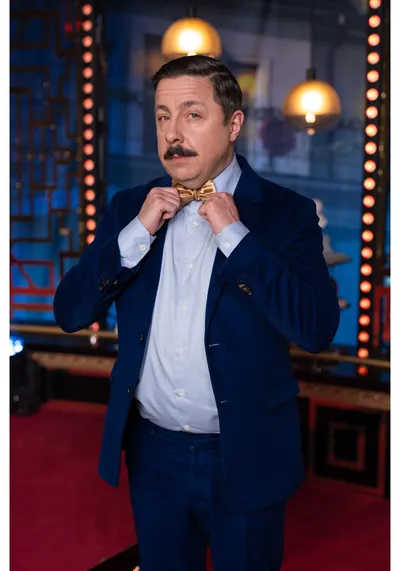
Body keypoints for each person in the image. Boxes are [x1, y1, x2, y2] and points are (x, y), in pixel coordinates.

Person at [54, 55, 340, 571]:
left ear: (233, 124)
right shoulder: (129, 208)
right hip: (152, 455)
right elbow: (70, 311)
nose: (173, 133)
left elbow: (316, 328)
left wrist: (236, 236)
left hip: (244, 453)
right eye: (163, 116)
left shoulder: (287, 213)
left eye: (192, 114)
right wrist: (137, 233)